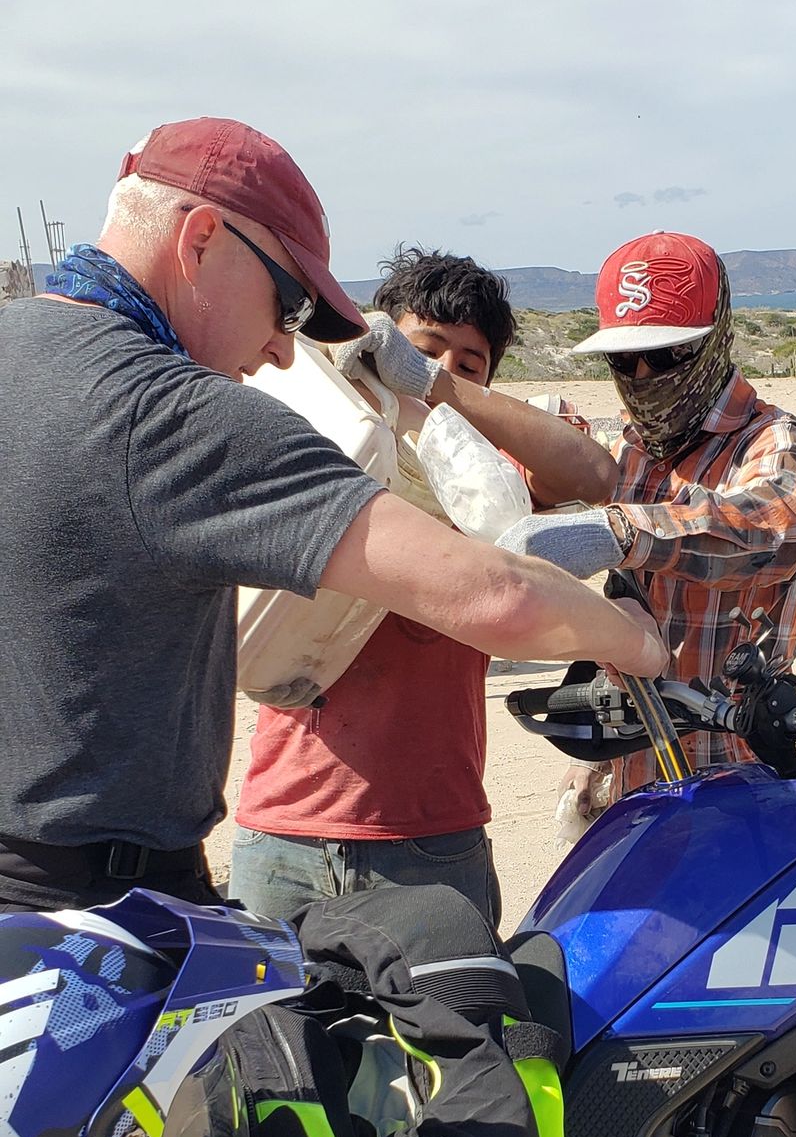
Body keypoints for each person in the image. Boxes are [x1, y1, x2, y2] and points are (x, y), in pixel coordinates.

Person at [0, 120, 665, 915]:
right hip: (99, 905)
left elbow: (588, 473)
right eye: (288, 305)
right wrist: (636, 640)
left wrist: (432, 391)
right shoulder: (180, 414)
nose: (284, 352)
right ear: (201, 238)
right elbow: (499, 598)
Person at [230, 249, 615, 929]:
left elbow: (594, 475)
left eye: (470, 364)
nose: (443, 368)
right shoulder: (323, 444)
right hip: (281, 828)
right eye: (424, 348)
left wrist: (432, 385)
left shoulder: (488, 483)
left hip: (429, 836)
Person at [496, 230, 796, 805]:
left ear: (716, 339)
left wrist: (622, 533)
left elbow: (773, 530)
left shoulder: (775, 442)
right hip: (638, 763)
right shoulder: (628, 448)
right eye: (625, 359)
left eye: (669, 354)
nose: (645, 376)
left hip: (739, 769)